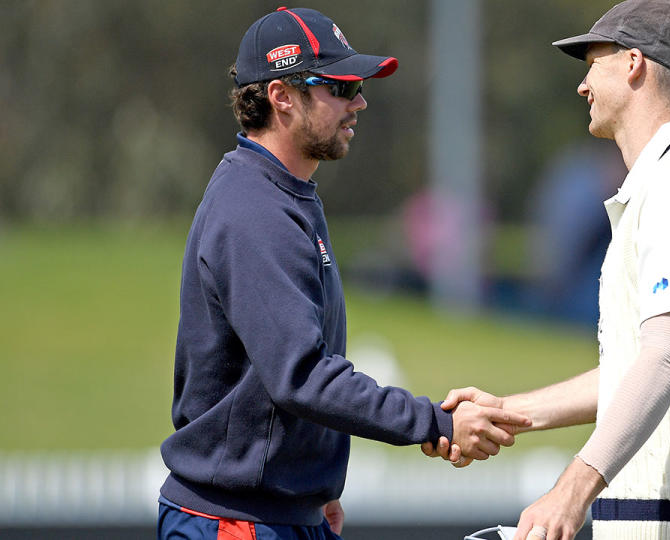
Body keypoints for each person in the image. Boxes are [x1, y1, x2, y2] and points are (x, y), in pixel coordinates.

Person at [157, 7, 529, 540]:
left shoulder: (284, 194)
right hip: (234, 522)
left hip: (279, 512)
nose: (359, 102)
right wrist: (438, 423)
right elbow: (303, 376)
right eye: (339, 86)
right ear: (281, 96)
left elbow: (291, 374)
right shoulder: (255, 210)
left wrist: (317, 489)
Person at [426, 1, 670, 539]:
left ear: (634, 64)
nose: (582, 85)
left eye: (593, 62)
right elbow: (638, 368)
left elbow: (666, 357)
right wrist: (508, 411)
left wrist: (571, 491)